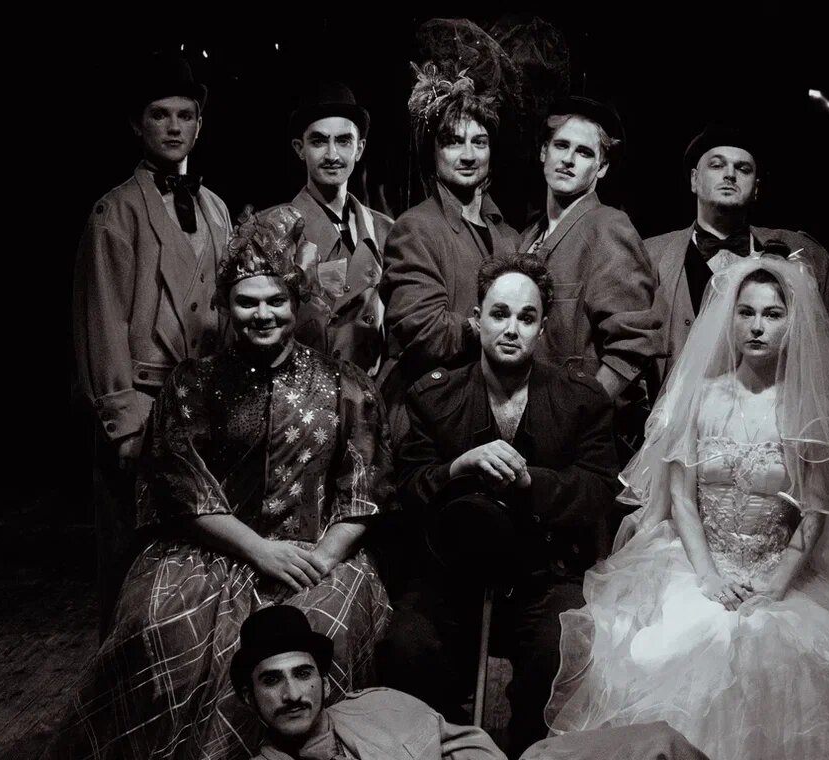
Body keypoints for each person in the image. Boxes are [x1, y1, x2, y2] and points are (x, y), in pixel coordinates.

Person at [544, 257, 829, 759]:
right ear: (730, 319)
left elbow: (815, 512)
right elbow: (681, 498)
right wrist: (709, 577)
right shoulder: (698, 398)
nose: (757, 326)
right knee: (678, 647)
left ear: (792, 324)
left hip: (775, 572)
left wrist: (776, 584)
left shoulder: (806, 410)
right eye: (747, 312)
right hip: (696, 565)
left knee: (806, 661)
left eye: (773, 314)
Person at [46, 206, 393, 760]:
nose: (263, 314)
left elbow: (363, 491)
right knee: (159, 625)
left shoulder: (343, 384)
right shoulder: (192, 384)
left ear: (296, 300)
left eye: (275, 300)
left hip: (314, 552)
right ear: (226, 306)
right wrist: (259, 551)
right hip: (207, 554)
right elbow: (180, 487)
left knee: (321, 627)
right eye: (247, 302)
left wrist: (321, 559)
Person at [385, 255, 619, 757]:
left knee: (561, 646)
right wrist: (458, 467)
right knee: (409, 642)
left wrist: (531, 481)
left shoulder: (581, 399)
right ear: (477, 319)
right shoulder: (433, 397)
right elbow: (406, 488)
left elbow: (597, 489)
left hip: (542, 575)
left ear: (543, 328)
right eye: (499, 314)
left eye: (526, 317)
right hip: (452, 577)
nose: (512, 328)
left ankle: (529, 751)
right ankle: (446, 748)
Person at [73, 53, 232, 634]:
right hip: (146, 408)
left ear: (199, 125)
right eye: (159, 115)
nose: (173, 126)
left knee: (201, 565)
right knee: (131, 566)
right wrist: (125, 422)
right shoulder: (114, 211)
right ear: (137, 126)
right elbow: (102, 322)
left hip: (208, 409)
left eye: (185, 115)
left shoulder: (216, 207)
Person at [646, 123, 829, 388]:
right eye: (717, 165)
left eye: (743, 169)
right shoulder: (651, 255)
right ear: (694, 180)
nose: (730, 175)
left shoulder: (803, 252)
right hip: (676, 409)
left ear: (756, 188)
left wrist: (798, 384)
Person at [379, 64, 520, 431]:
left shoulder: (508, 236)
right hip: (428, 411)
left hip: (489, 408)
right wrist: (493, 326)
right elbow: (423, 331)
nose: (468, 155)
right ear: (434, 152)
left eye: (479, 142)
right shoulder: (416, 228)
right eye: (453, 141)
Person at [517, 96, 659, 402]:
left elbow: (633, 345)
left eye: (584, 152)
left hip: (572, 420)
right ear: (543, 152)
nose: (568, 159)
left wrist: (585, 414)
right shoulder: (529, 236)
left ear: (601, 167)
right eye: (561, 145)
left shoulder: (608, 226)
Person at [232, 605, 505, 760]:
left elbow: (472, 748)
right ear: (249, 697)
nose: (292, 694)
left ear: (325, 685)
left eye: (303, 674)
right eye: (271, 680)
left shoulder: (383, 708)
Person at [281, 80, 393, 375]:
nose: (332, 155)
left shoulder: (387, 231)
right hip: (303, 392)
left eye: (343, 141)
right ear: (299, 148)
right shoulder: (275, 231)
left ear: (360, 148)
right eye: (319, 141)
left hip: (370, 392)